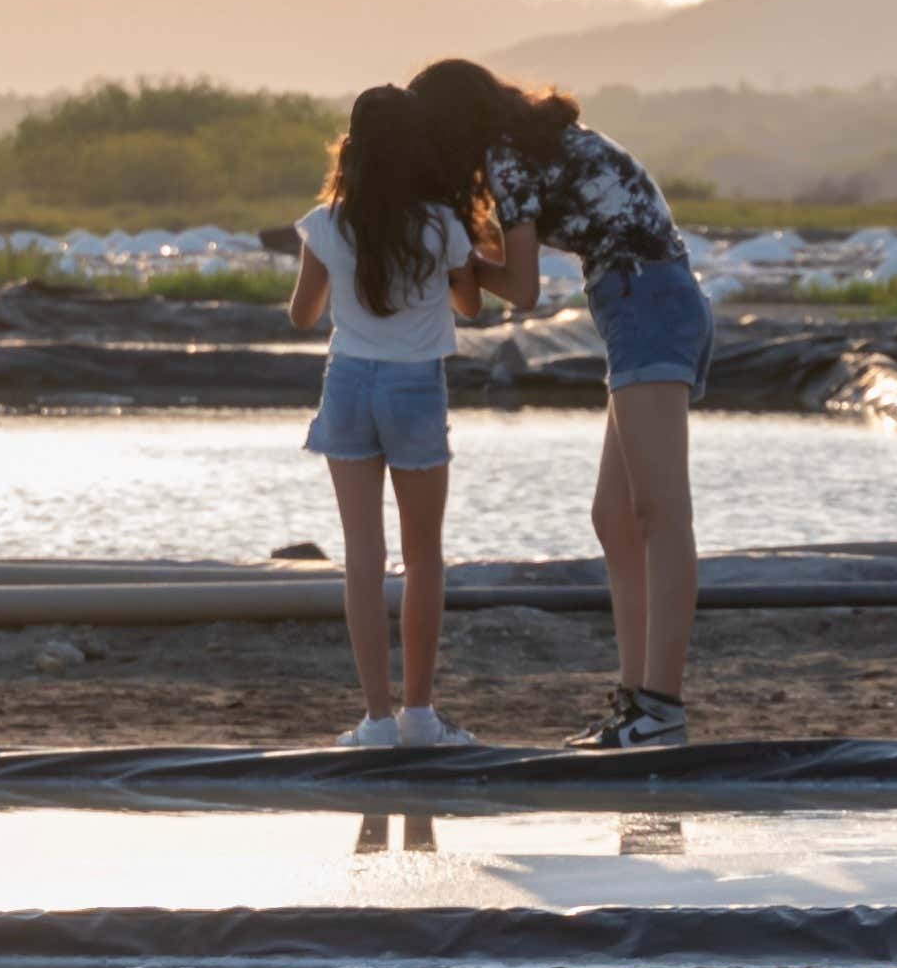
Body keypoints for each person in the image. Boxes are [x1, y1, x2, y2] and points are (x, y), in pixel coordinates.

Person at [407, 57, 709, 748]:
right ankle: (637, 700)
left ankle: (661, 708)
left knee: (660, 513)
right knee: (616, 517)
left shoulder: (507, 158)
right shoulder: (526, 145)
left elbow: (519, 290)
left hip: (648, 301)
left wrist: (453, 262)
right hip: (635, 299)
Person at [287, 84, 505, 748]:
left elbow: (301, 315)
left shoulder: (327, 223)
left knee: (363, 557)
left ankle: (375, 720)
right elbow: (471, 308)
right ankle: (420, 715)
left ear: (352, 149)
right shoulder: (441, 224)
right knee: (424, 556)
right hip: (415, 389)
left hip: (348, 382)